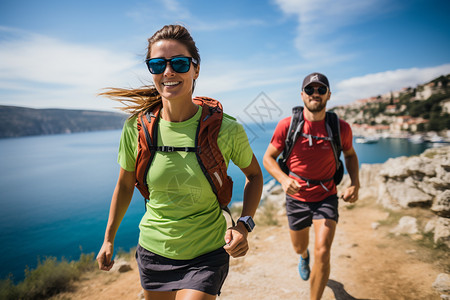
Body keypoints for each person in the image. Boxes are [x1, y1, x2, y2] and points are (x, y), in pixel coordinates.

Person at [96, 24, 263, 300]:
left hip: (207, 252)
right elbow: (125, 186)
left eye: (180, 63)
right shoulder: (136, 129)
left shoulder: (227, 129)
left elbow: (255, 176)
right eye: (158, 64)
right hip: (153, 252)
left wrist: (244, 225)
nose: (168, 72)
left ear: (196, 69)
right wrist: (109, 239)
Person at [263, 72, 359, 300]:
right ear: (302, 94)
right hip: (296, 198)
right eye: (310, 90)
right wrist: (284, 179)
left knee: (323, 251)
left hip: (326, 196)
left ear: (328, 95)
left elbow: (351, 155)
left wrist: (355, 183)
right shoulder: (288, 126)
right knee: (299, 247)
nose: (315, 94)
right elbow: (268, 158)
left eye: (320, 90)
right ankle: (303, 256)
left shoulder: (340, 127)